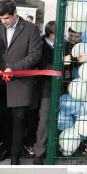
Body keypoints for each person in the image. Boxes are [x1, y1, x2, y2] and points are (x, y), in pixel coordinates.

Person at [0, 0, 42, 164]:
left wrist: (14, 68)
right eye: (1, 18)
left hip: (20, 83)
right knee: (4, 119)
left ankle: (15, 156)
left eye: (6, 18)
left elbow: (34, 55)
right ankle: (6, 148)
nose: (3, 22)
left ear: (15, 14)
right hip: (1, 83)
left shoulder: (31, 29)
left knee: (19, 120)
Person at [32, 21, 56, 165]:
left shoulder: (62, 46)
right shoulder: (40, 47)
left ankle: (55, 149)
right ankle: (39, 152)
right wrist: (59, 66)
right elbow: (41, 67)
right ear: (52, 35)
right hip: (46, 87)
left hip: (62, 87)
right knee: (45, 119)